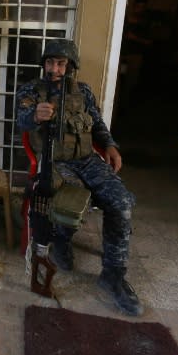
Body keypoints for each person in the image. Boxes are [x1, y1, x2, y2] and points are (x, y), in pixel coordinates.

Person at [15, 38, 143, 316]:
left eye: (61, 63)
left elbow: (97, 123)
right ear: (44, 64)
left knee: (121, 203)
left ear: (70, 67)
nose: (55, 68)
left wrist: (110, 145)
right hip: (54, 162)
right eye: (50, 62)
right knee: (70, 205)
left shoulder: (83, 92)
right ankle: (61, 240)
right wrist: (36, 115)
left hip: (87, 160)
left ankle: (113, 275)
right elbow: (21, 120)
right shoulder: (32, 90)